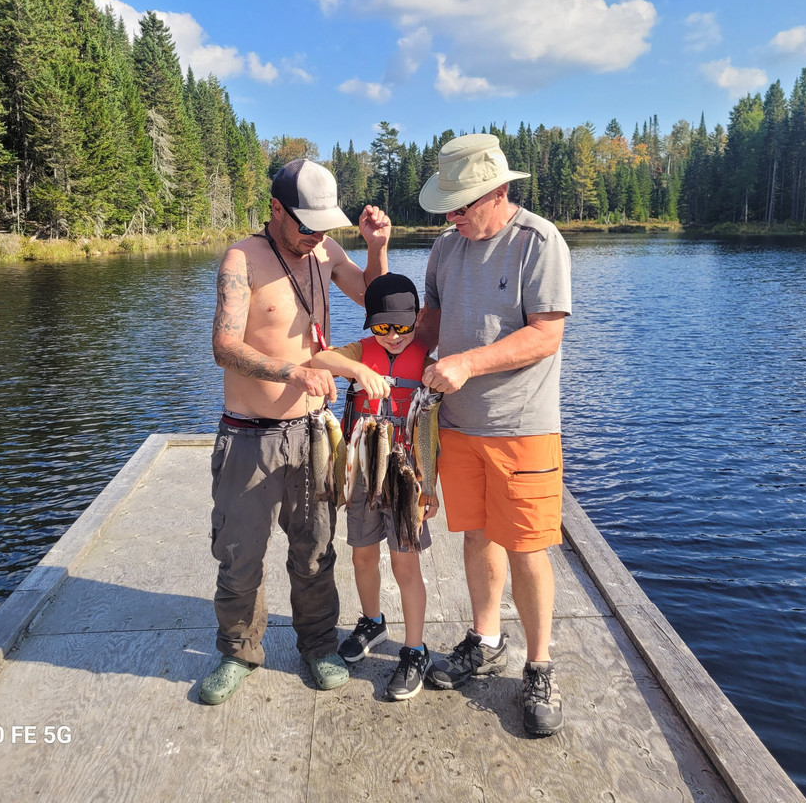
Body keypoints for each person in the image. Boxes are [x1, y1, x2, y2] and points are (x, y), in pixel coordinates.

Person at [200, 159, 391, 705]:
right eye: (306, 225)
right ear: (277, 210)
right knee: (240, 554)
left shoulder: (326, 251)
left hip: (313, 433)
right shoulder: (243, 258)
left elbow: (372, 296)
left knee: (315, 550)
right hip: (248, 437)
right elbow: (224, 346)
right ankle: (238, 651)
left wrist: (375, 246)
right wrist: (293, 370)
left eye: (325, 226)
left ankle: (318, 646)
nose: (316, 237)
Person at [414, 134, 572, 737]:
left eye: (461, 205)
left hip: (521, 428)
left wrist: (469, 364)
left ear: (498, 192)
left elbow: (545, 334)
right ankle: (486, 639)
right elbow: (429, 323)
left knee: (528, 545)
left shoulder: (538, 241)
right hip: (456, 427)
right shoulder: (445, 250)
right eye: (448, 207)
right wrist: (389, 345)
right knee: (478, 535)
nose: (452, 216)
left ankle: (539, 664)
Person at [309, 273, 438, 701]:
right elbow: (319, 361)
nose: (394, 336)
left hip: (408, 476)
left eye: (403, 327)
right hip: (363, 471)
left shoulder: (428, 356)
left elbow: (437, 434)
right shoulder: (361, 352)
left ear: (417, 321)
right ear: (371, 326)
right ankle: (372, 621)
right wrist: (358, 369)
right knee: (362, 556)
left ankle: (415, 649)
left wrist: (432, 488)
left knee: (405, 565)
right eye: (383, 328)